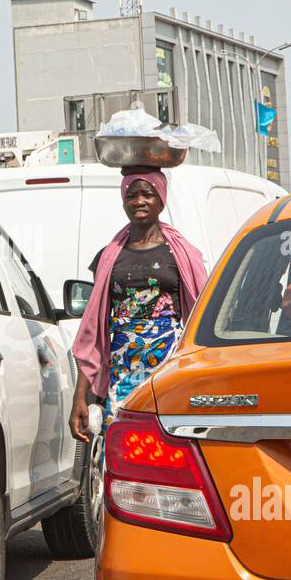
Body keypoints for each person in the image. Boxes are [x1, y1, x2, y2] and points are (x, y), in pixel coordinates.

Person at [69, 169, 209, 442]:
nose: (139, 201)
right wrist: (80, 397)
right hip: (123, 371)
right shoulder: (110, 256)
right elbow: (93, 331)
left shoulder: (181, 253)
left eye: (148, 194)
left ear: (161, 199)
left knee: (169, 446)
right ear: (123, 201)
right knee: (123, 445)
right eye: (131, 195)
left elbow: (202, 313)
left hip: (170, 367)